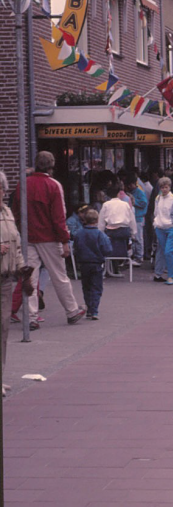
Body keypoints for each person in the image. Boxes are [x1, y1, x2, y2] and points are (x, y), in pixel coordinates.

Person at [10, 151, 86, 328]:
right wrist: (65, 240)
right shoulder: (54, 185)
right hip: (50, 238)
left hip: (28, 236)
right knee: (59, 275)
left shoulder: (23, 185)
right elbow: (59, 216)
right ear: (52, 166)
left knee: (30, 277)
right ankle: (71, 310)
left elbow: (16, 211)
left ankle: (31, 317)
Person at [1, 170, 29, 396]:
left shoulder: (7, 212)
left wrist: (21, 268)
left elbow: (17, 244)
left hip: (5, 279)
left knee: (3, 329)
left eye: (1, 189)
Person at [74, 209, 112, 320]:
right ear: (96, 220)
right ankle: (94, 310)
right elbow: (107, 249)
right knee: (96, 287)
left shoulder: (79, 233)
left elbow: (76, 248)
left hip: (84, 263)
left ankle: (89, 308)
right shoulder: (100, 234)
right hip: (96, 263)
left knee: (86, 286)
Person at [98, 182, 136, 277]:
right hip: (124, 231)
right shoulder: (125, 204)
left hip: (110, 232)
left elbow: (101, 221)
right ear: (118, 193)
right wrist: (133, 232)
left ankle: (109, 267)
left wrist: (100, 233)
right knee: (121, 245)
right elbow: (132, 219)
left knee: (109, 246)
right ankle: (119, 264)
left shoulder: (106, 205)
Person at [151, 177, 173, 285]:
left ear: (169, 187)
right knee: (161, 251)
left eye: (166, 187)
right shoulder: (158, 198)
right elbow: (156, 212)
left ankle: (172, 276)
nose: (164, 190)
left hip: (171, 227)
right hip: (160, 227)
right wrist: (156, 223)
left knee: (168, 251)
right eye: (162, 187)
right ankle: (158, 273)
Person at [126, 175, 148, 266]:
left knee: (138, 238)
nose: (130, 186)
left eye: (131, 184)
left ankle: (139, 257)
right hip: (133, 218)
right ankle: (135, 256)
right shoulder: (131, 192)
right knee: (134, 238)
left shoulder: (139, 192)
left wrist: (133, 202)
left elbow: (144, 203)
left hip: (139, 218)